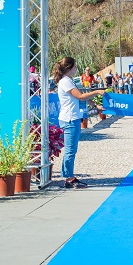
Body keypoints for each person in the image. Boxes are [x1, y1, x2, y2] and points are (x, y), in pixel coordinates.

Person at [52, 57, 106, 188]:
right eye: (74, 66)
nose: (76, 68)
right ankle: (69, 178)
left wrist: (95, 106)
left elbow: (82, 97)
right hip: (70, 119)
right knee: (71, 150)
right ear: (69, 68)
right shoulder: (66, 82)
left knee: (71, 149)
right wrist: (97, 91)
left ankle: (67, 176)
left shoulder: (68, 81)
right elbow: (81, 96)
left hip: (72, 118)